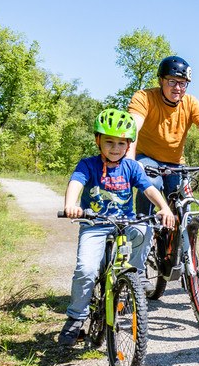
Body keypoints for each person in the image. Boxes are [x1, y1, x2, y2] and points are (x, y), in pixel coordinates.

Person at [59, 108, 176, 346]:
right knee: (87, 270)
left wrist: (164, 207)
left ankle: (133, 276)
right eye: (109, 142)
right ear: (97, 141)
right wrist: (71, 204)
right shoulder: (88, 165)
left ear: (129, 144)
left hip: (125, 224)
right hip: (95, 224)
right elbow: (75, 183)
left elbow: (148, 189)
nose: (115, 148)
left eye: (121, 143)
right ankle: (76, 318)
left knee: (145, 229)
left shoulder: (132, 167)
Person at [126, 56, 199, 278]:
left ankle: (177, 249)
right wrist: (130, 161)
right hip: (147, 158)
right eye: (172, 82)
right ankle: (138, 265)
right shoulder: (144, 98)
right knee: (151, 184)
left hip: (175, 163)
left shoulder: (190, 103)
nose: (177, 88)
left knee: (183, 202)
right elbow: (133, 128)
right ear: (161, 80)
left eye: (182, 83)